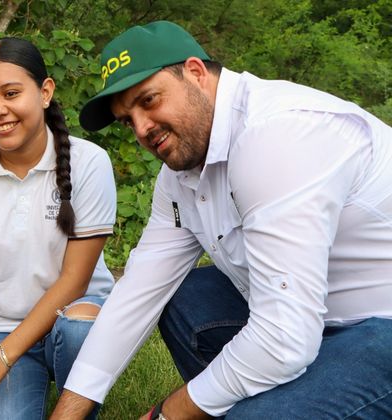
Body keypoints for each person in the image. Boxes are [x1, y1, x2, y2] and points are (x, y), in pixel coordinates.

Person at [49, 20, 392, 419]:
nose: (141, 129)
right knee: (182, 295)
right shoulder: (180, 172)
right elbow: (140, 290)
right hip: (310, 321)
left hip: (377, 323)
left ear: (196, 72)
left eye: (148, 100)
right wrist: (67, 412)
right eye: (128, 120)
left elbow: (284, 338)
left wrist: (168, 413)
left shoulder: (278, 135)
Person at [0, 37, 117, 419]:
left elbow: (75, 281)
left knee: (79, 331)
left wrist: (0, 358)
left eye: (11, 93)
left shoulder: (89, 163)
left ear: (45, 92)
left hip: (76, 316)